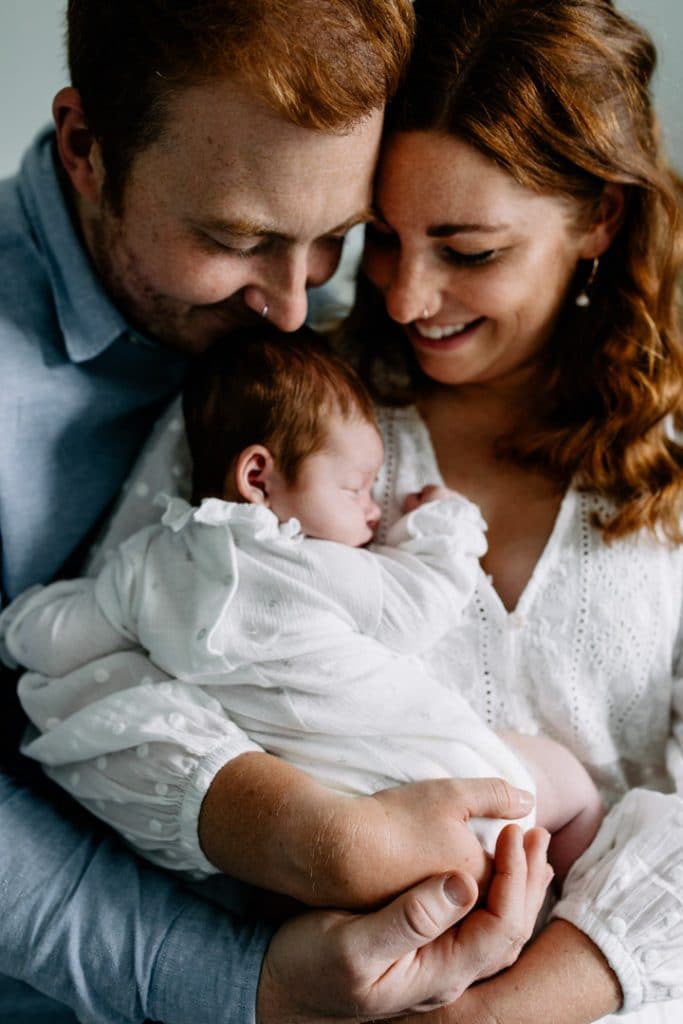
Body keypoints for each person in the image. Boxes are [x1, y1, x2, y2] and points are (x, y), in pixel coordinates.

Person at [72, 0, 683, 1022]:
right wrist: (317, 841)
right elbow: (103, 682)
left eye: (468, 250)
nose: (403, 298)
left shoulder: (670, 461)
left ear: (599, 219)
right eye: (382, 240)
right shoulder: (282, 412)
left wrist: (487, 1013)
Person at [1, 327, 601, 904]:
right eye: (354, 488)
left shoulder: (147, 563)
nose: (372, 509)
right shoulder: (320, 568)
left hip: (339, 823)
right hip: (448, 780)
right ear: (258, 478)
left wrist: (16, 626)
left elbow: (64, 635)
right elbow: (426, 600)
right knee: (570, 786)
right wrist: (443, 524)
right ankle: (570, 893)